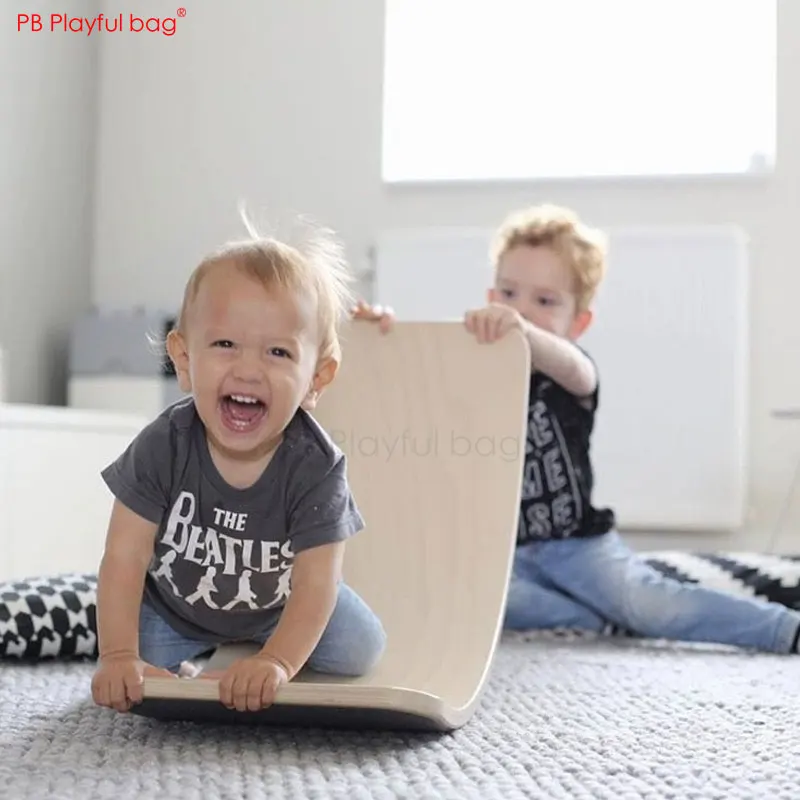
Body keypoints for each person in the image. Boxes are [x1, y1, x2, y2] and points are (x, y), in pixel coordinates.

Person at [353, 203, 800, 655]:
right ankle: (595, 619)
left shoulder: (570, 373)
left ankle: (783, 628)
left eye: (544, 301)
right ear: (492, 299)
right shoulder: (474, 369)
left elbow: (576, 370)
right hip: (505, 553)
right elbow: (413, 375)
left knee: (649, 604)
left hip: (578, 546)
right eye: (509, 294)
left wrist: (525, 334)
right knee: (469, 601)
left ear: (578, 323)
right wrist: (381, 336)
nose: (521, 310)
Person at [91, 216, 387, 715]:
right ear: (184, 359)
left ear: (317, 378)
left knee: (363, 647)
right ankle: (196, 649)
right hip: (176, 610)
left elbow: (316, 582)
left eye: (277, 352)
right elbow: (123, 558)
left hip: (278, 608)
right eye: (225, 344)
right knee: (130, 665)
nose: (248, 369)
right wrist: (117, 654)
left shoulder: (315, 467)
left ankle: (254, 648)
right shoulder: (163, 445)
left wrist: (277, 661)